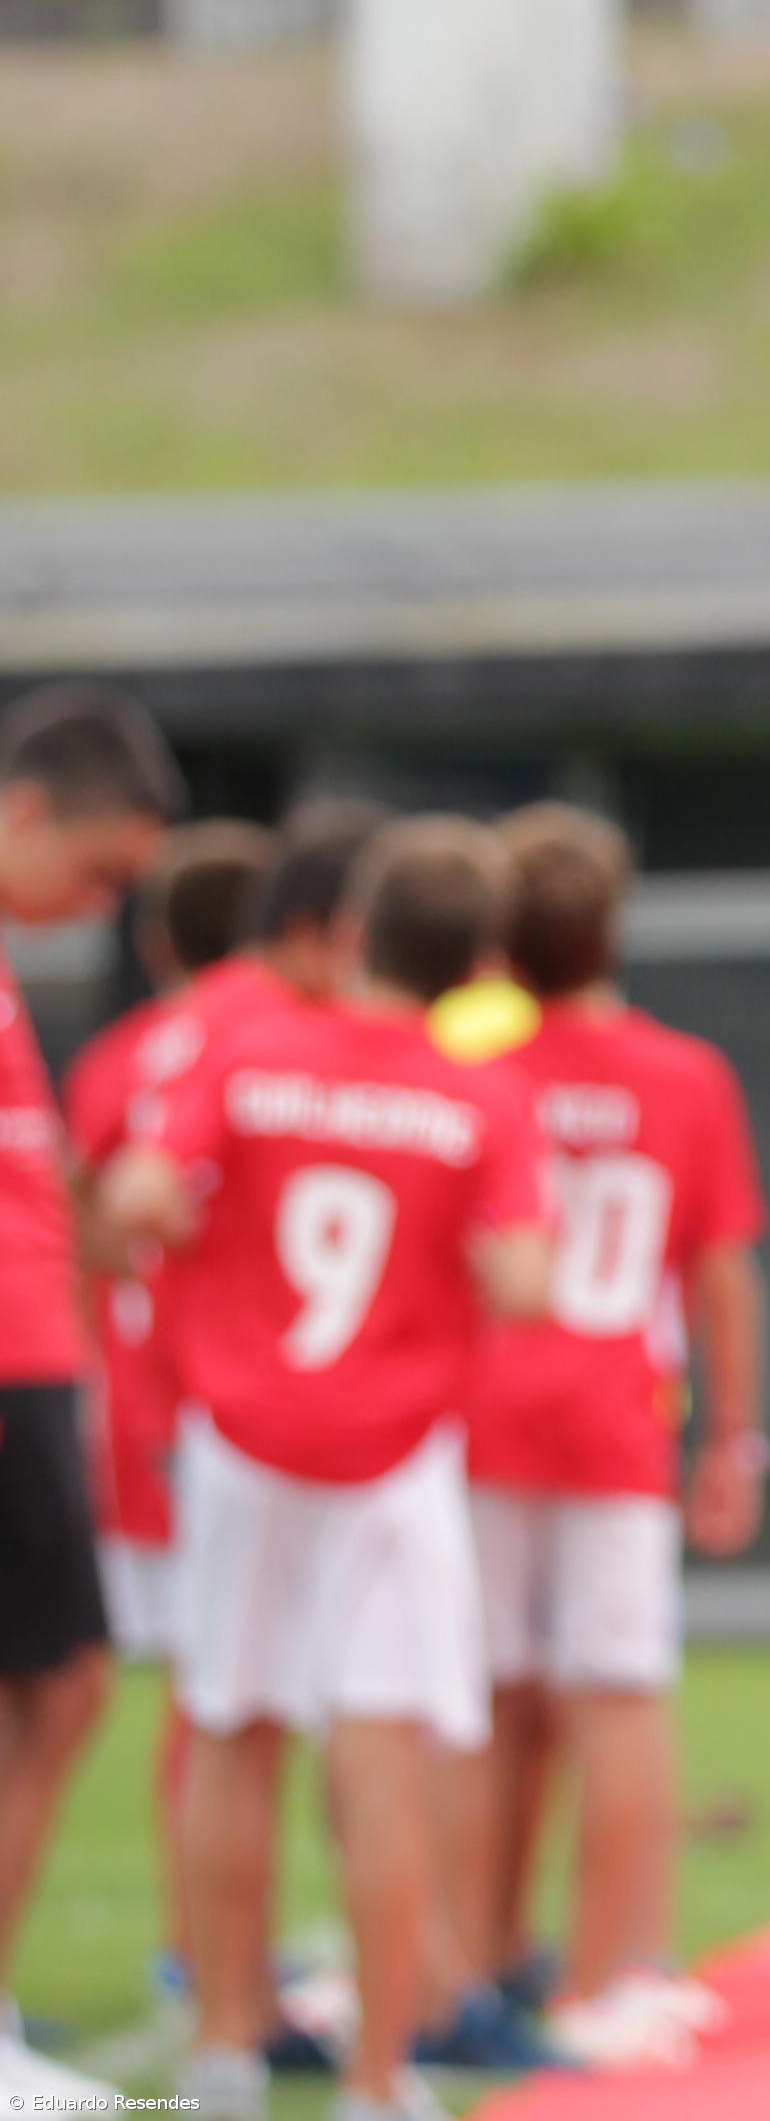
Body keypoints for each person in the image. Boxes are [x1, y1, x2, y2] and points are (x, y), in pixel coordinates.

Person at [104, 818, 549, 2121]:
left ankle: (225, 2051)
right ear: (475, 962)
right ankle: (377, 2072)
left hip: (242, 1438)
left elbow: (136, 1194)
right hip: (392, 1456)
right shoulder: (475, 1094)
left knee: (233, 1735)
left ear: (356, 930)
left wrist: (203, 1240)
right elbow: (526, 1278)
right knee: (382, 1754)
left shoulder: (246, 1052)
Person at [446, 805, 763, 2072]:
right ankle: (609, 1972)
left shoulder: (473, 1065)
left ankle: (466, 1961)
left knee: (482, 1698)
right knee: (619, 1695)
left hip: (478, 1413)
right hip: (617, 1419)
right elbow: (724, 1269)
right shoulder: (684, 1076)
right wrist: (734, 1435)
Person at [0, 690, 184, 2103]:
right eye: (103, 872)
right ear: (25, 813)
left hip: (37, 1364)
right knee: (55, 1685)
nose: (104, 909)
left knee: (57, 1686)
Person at [64, 818, 275, 2006]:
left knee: (199, 1685)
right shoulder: (268, 1043)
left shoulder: (115, 1060)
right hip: (233, 1400)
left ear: (155, 938)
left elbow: (83, 1225)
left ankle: (201, 1942)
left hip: (129, 1393)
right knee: (231, 1690)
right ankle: (214, 1954)